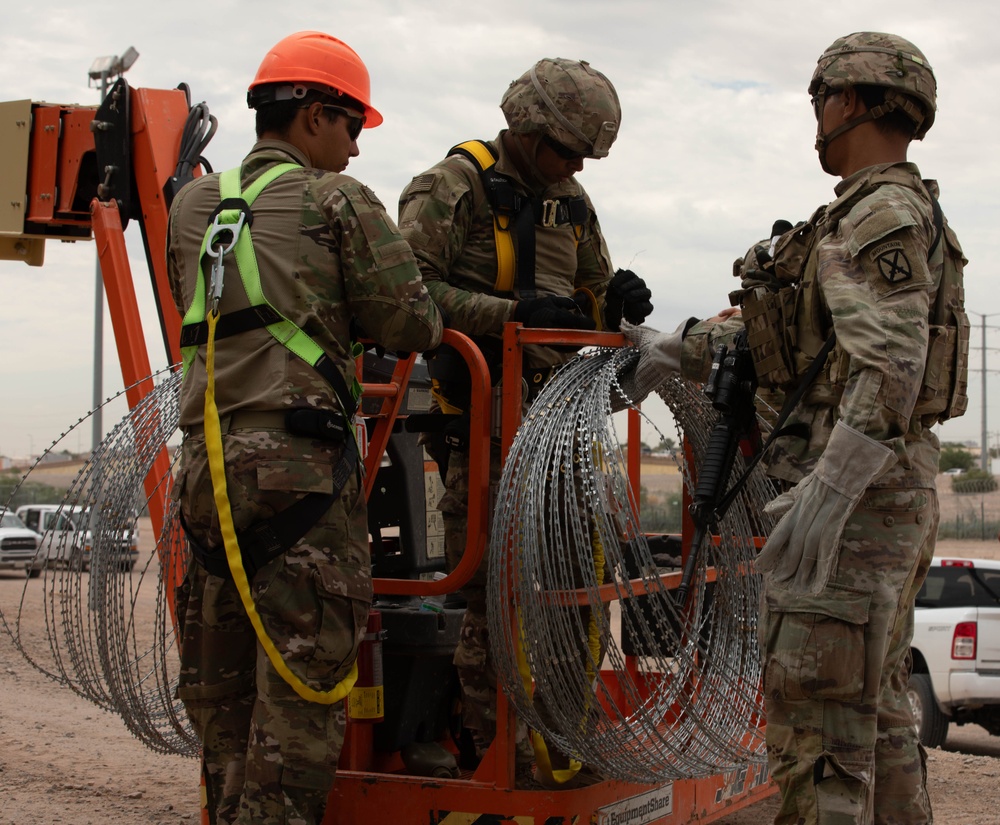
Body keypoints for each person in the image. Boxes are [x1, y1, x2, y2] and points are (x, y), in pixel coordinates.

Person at [620, 32, 968, 824]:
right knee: (876, 718)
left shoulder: (877, 213)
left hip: (849, 511)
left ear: (851, 100)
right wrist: (674, 347)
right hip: (889, 495)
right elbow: (796, 348)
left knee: (818, 730)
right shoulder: (898, 211)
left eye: (820, 101)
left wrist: (830, 491)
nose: (815, 119)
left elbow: (889, 364)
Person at [166, 31, 442, 825]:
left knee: (222, 693)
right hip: (301, 475)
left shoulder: (192, 205)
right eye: (352, 128)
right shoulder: (336, 201)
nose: (355, 151)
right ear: (317, 116)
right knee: (303, 691)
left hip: (209, 469)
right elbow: (412, 321)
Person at [397, 57, 652, 784]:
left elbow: (590, 292)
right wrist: (510, 316)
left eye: (584, 156)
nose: (574, 166)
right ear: (527, 127)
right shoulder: (451, 188)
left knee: (574, 590)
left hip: (561, 426)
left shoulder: (569, 201)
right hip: (481, 426)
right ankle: (495, 753)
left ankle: (569, 742)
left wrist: (617, 301)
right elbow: (407, 297)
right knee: (492, 598)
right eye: (566, 149)